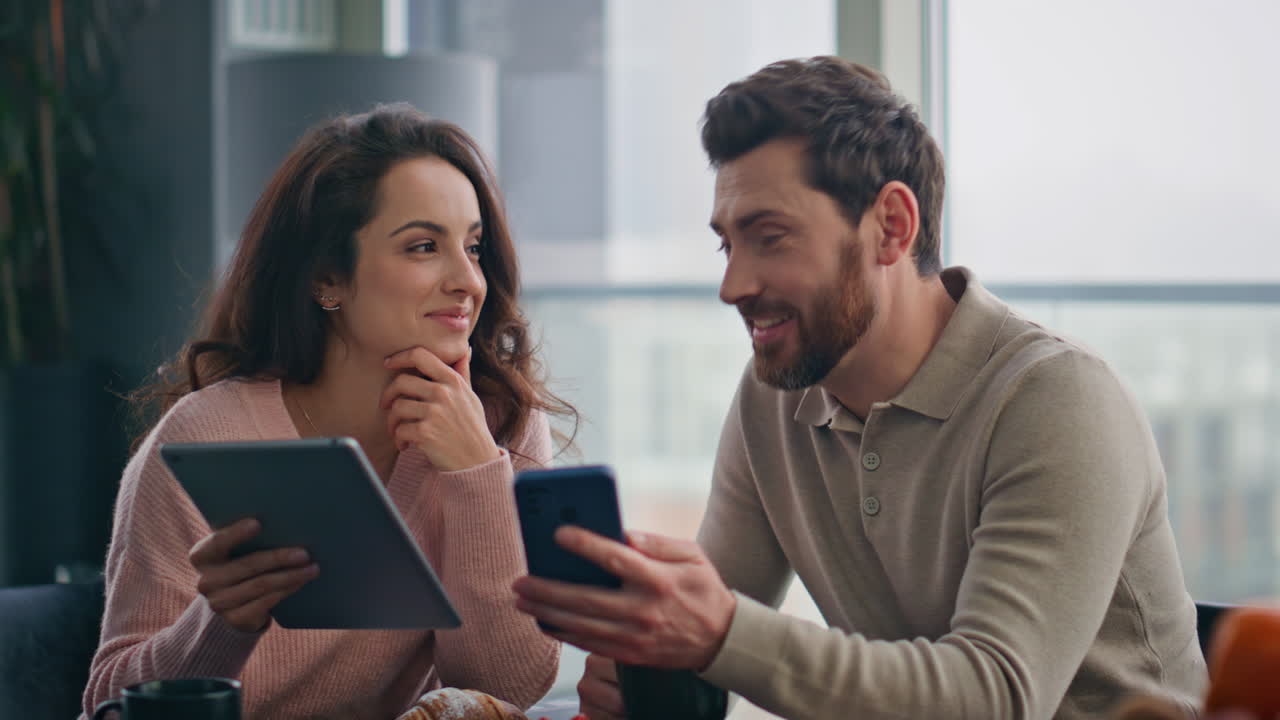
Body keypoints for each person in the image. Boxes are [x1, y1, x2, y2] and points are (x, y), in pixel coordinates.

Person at [512, 56, 1207, 719]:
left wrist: (719, 632)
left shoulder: (1057, 401)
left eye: (771, 237)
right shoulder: (775, 397)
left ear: (891, 228)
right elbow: (707, 656)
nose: (733, 286)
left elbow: (995, 696)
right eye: (728, 244)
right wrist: (648, 663)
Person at [82, 104, 570, 719]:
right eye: (424, 246)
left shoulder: (500, 424)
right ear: (327, 280)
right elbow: (107, 704)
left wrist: (475, 476)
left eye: (473, 248)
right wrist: (220, 623)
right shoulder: (206, 435)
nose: (468, 281)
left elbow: (508, 688)